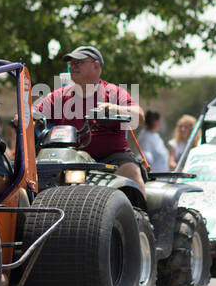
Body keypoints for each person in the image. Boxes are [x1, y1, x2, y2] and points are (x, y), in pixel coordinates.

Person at [31, 45, 145, 184]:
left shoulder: (114, 93)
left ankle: (139, 206)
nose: (73, 67)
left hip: (112, 159)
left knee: (131, 171)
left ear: (96, 66)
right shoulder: (60, 96)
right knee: (41, 175)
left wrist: (114, 108)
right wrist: (25, 118)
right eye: (71, 63)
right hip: (70, 158)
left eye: (78, 63)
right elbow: (33, 113)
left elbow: (139, 116)